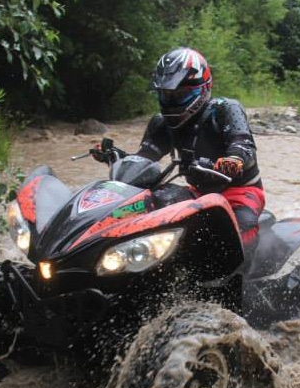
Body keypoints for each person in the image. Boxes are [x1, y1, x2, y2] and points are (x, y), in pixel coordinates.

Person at [96, 47, 266, 255]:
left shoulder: (225, 109)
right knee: (152, 202)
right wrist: (117, 158)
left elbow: (243, 146)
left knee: (237, 233)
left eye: (180, 94)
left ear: (202, 88)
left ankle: (243, 283)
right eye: (166, 95)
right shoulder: (161, 123)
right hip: (198, 193)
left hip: (239, 193)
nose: (172, 101)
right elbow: (144, 158)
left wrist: (230, 162)